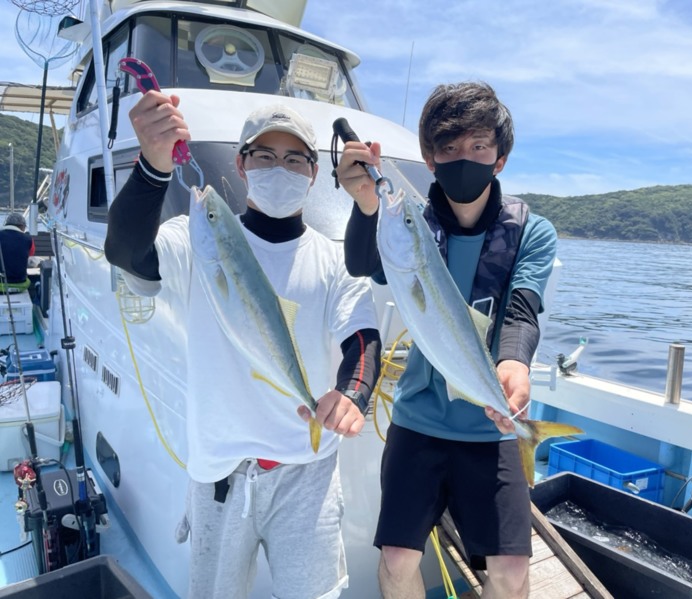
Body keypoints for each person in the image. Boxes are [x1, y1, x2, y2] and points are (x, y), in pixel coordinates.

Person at [104, 96, 382, 599]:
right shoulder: (195, 238)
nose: (281, 168)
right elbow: (127, 252)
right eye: (265, 155)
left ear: (314, 174)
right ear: (241, 163)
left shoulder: (332, 260)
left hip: (308, 474)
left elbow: (362, 337)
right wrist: (153, 165)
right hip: (220, 475)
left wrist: (353, 394)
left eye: (295, 158)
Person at [335, 81, 558, 599]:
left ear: (500, 157)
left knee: (510, 571)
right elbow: (363, 262)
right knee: (395, 559)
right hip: (419, 417)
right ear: (429, 160)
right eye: (449, 148)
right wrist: (367, 203)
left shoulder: (530, 231)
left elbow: (522, 308)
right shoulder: (410, 224)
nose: (465, 158)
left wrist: (515, 364)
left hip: (493, 423)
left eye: (478, 146)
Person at [0, 212, 35, 292]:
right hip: (20, 284)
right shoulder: (28, 239)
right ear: (22, 226)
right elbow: (30, 255)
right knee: (29, 281)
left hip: (1, 283)